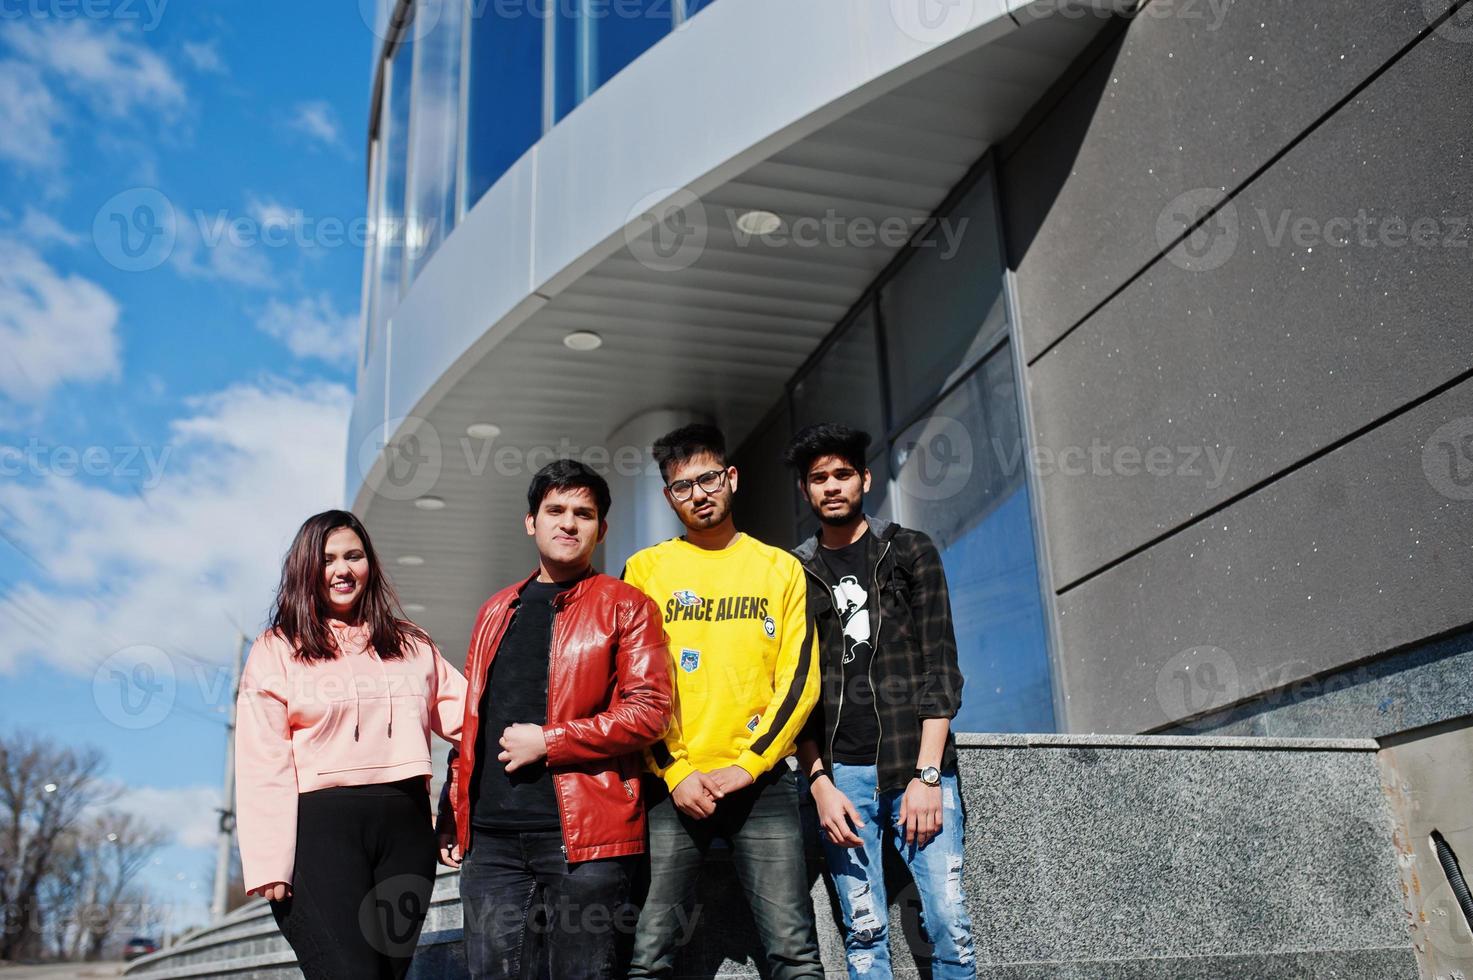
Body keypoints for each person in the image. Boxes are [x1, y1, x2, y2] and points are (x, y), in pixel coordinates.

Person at [436, 460, 673, 980]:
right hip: (492, 841)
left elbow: (650, 711)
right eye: (555, 510)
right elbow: (474, 718)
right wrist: (452, 809)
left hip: (586, 838)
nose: (568, 523)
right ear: (531, 521)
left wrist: (550, 741)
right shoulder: (496, 610)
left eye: (583, 514)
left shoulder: (627, 606)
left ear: (601, 529)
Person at [623, 423, 823, 979]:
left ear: (730, 478)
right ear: (668, 497)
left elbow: (800, 680)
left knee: (795, 954)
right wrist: (675, 770)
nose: (698, 494)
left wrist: (749, 763)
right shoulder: (644, 571)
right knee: (647, 956)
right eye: (681, 486)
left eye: (707, 478)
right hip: (672, 788)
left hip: (762, 785)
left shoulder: (781, 569)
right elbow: (634, 685)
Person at [235, 509, 467, 980]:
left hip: (405, 834)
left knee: (387, 974)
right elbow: (264, 761)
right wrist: (268, 862)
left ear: (370, 566)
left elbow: (477, 725)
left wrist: (457, 806)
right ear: (306, 570)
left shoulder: (412, 645)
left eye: (353, 556)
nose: (342, 570)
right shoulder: (277, 648)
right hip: (319, 834)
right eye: (328, 559)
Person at [784, 422, 976, 979]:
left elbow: (941, 668)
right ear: (806, 491)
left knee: (948, 921)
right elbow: (792, 691)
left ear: (865, 478)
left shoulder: (909, 551)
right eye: (819, 478)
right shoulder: (794, 574)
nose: (832, 486)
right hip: (841, 778)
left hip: (917, 768)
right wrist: (817, 781)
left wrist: (928, 775)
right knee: (864, 936)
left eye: (843, 474)